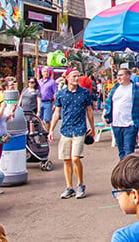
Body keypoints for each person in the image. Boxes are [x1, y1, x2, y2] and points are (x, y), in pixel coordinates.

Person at [48, 68, 95, 200]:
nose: (76, 78)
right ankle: (69, 187)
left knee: (75, 157)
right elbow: (57, 112)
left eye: (78, 76)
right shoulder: (61, 94)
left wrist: (92, 127)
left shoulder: (85, 93)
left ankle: (80, 184)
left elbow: (89, 110)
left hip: (80, 128)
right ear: (67, 78)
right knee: (66, 159)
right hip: (66, 129)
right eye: (73, 76)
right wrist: (51, 129)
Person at [104, 68, 139, 160]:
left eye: (121, 75)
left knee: (128, 151)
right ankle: (123, 170)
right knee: (121, 151)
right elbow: (108, 103)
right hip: (116, 124)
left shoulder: (137, 89)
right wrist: (104, 114)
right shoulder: (115, 88)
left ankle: (128, 171)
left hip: (131, 123)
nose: (118, 77)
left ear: (128, 76)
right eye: (118, 75)